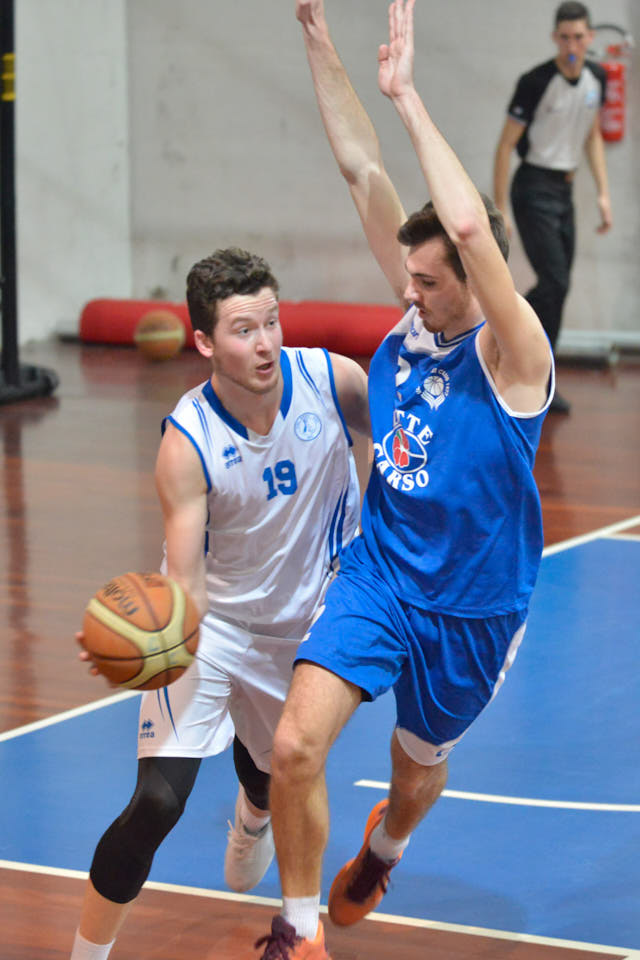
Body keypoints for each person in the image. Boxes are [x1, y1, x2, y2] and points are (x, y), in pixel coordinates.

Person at [251, 2, 554, 957]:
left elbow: (467, 220)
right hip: (380, 571)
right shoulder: (416, 318)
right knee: (296, 744)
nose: (407, 294)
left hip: (474, 604)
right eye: (408, 279)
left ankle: (385, 846)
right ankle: (298, 928)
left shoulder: (515, 357)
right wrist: (317, 38)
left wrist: (410, 96)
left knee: (416, 768)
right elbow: (361, 168)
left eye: (428, 281)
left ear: (473, 276)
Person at [70, 246, 369, 960]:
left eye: (271, 321)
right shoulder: (188, 440)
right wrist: (148, 646)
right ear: (205, 342)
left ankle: (254, 810)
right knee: (156, 804)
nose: (265, 342)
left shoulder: (335, 381)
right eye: (243, 329)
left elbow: (403, 442)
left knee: (272, 772)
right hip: (214, 624)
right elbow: (188, 587)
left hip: (303, 626)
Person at [493, 0, 612, 414]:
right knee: (555, 282)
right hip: (533, 188)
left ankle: (542, 379)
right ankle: (501, 333)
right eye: (564, 38)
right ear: (554, 39)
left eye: (579, 37)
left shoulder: (597, 78)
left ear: (590, 37)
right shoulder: (536, 82)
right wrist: (501, 208)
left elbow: (592, 135)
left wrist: (603, 193)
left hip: (564, 190)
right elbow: (505, 146)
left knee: (558, 289)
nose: (572, 45)